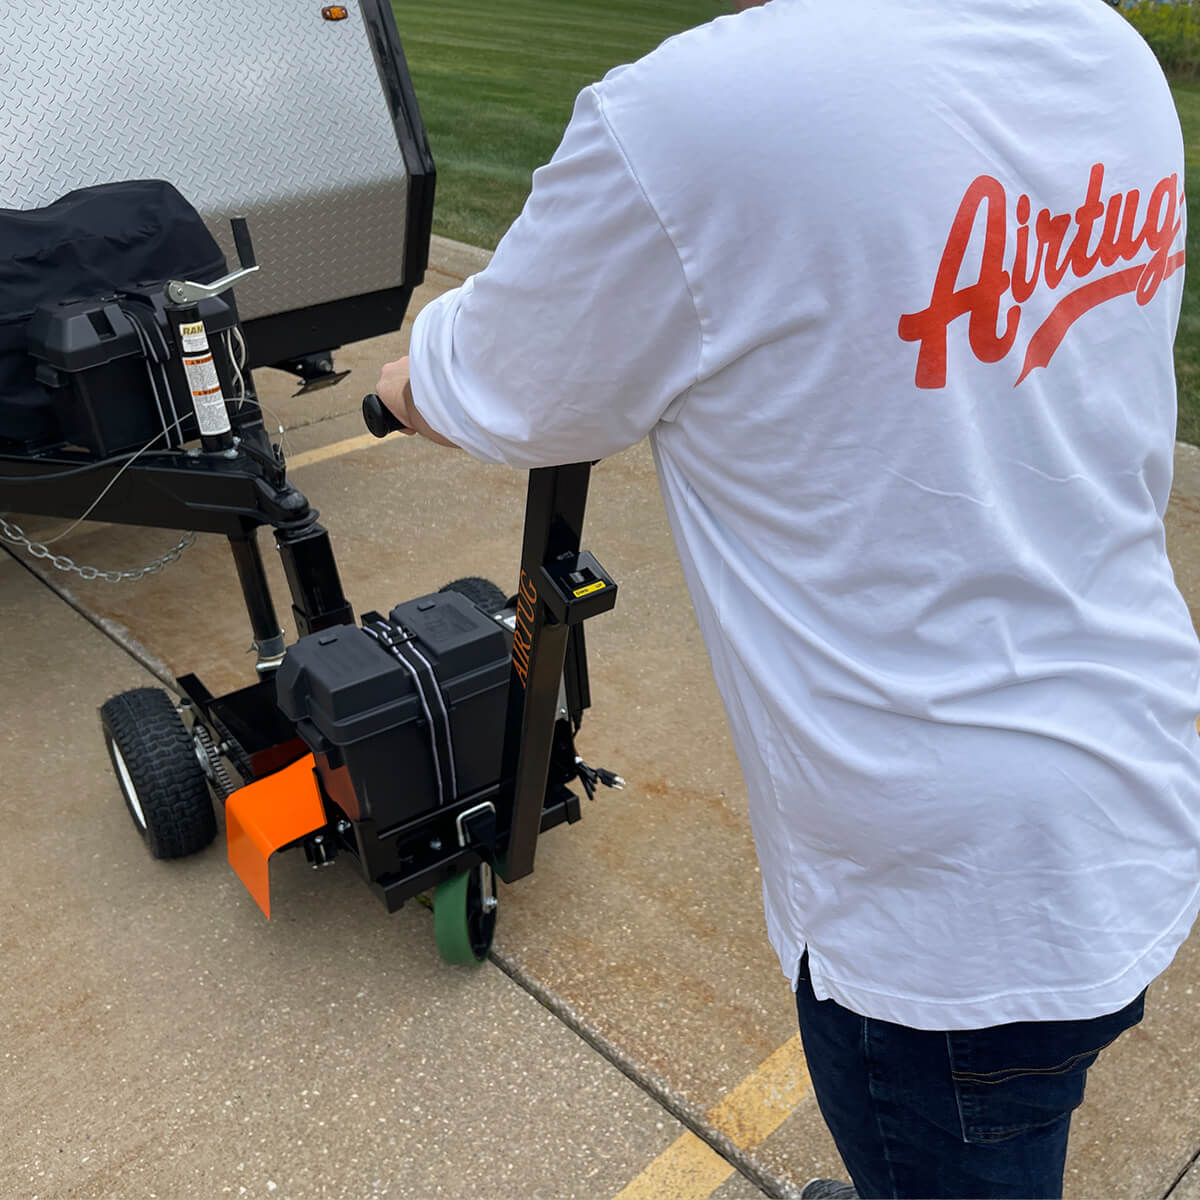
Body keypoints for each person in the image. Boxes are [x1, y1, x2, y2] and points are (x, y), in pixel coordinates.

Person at [374, 1, 1200, 1195]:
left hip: (934, 903)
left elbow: (503, 384)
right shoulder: (1100, 46)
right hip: (1123, 788)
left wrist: (404, 382)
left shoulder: (697, 116)